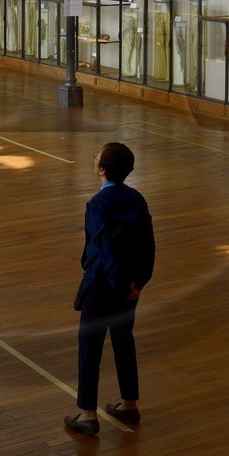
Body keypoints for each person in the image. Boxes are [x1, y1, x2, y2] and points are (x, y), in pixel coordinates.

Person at [64, 141, 155, 436]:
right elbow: (148, 247)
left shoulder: (97, 205)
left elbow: (102, 250)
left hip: (102, 285)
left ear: (102, 169)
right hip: (129, 286)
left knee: (90, 344)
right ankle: (130, 404)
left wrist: (116, 284)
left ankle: (87, 413)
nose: (94, 159)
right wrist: (137, 284)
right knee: (123, 340)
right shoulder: (138, 200)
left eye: (97, 157)